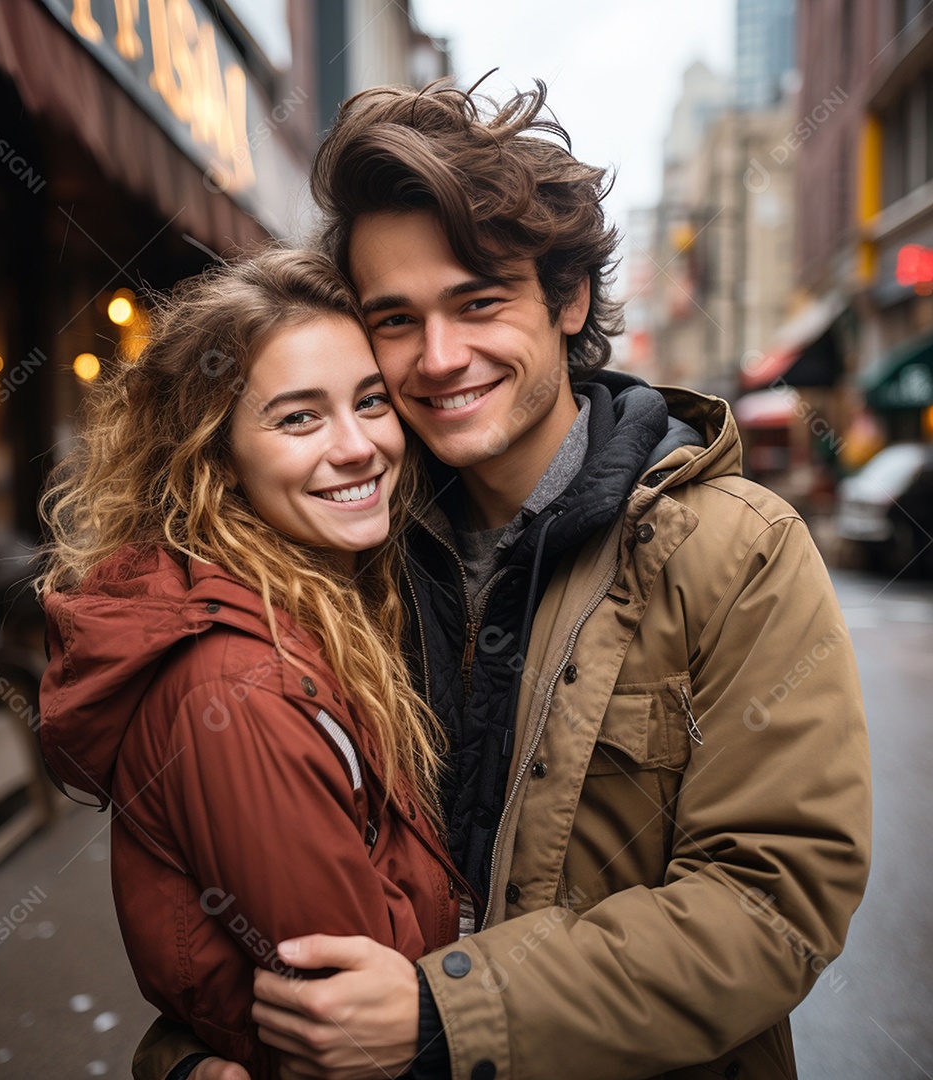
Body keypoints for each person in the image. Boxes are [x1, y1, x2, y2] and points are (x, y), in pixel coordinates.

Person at [137, 79, 872, 1080]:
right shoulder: (332, 551)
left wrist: (450, 1015)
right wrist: (187, 1059)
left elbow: (773, 900)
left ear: (568, 299)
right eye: (394, 319)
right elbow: (228, 867)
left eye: (479, 302)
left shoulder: (736, 551)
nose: (440, 359)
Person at [36, 249, 472, 1080]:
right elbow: (355, 1030)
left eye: (370, 401)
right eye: (299, 418)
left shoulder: (333, 608)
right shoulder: (240, 689)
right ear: (216, 457)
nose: (359, 448)